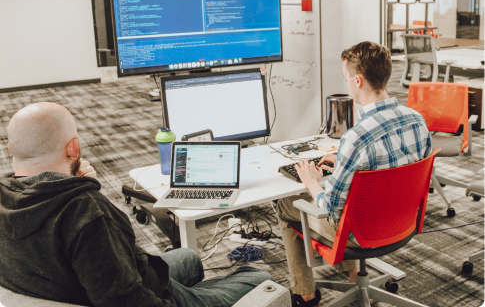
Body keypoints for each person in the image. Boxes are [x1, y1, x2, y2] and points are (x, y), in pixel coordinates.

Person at [0, 102, 273, 307]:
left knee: (188, 259)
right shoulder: (86, 212)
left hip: (66, 282)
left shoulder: (13, 195)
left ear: (11, 148)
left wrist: (81, 186)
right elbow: (124, 301)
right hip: (140, 296)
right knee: (260, 281)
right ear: (73, 148)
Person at [276, 41, 432, 307]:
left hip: (359, 234)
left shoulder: (356, 138)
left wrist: (312, 183)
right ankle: (352, 273)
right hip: (401, 223)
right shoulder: (417, 119)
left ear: (358, 80)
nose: (346, 83)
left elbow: (331, 208)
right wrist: (346, 162)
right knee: (344, 198)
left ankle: (305, 293)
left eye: (346, 78)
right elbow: (410, 176)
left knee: (285, 203)